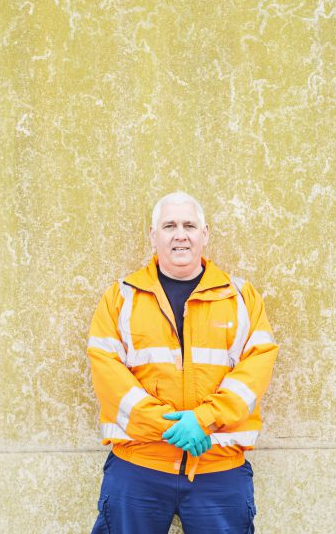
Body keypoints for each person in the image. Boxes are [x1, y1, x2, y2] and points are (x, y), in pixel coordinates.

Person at [87, 191, 279, 533]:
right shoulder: (121, 297)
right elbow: (109, 376)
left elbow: (256, 366)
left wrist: (205, 419)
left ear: (205, 234)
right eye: (169, 225)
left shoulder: (241, 298)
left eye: (190, 225)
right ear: (153, 235)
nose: (180, 234)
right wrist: (173, 427)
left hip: (218, 470)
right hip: (139, 468)